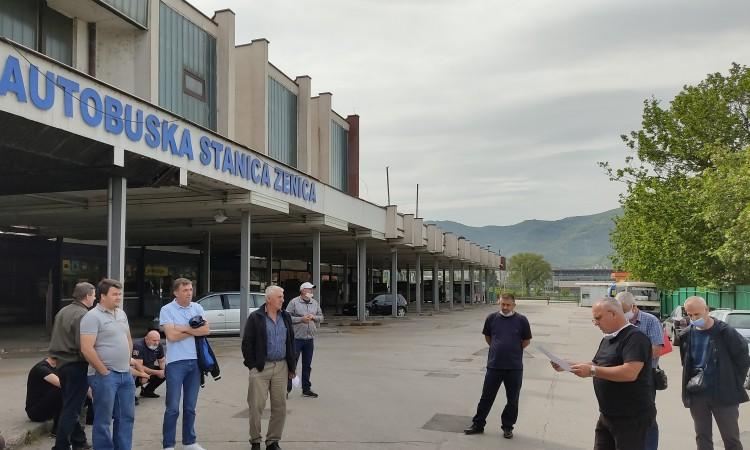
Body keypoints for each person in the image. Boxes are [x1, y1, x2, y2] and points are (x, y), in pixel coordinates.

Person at [551, 298, 655, 450]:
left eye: (598, 318)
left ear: (613, 314)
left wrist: (593, 372)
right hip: (607, 415)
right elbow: (597, 364)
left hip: (631, 418)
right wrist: (568, 365)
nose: (596, 323)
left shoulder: (635, 338)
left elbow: (630, 372)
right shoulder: (608, 338)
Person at [679, 296, 749, 450]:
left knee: (730, 438)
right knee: (702, 436)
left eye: (697, 314)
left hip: (724, 393)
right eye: (690, 315)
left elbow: (743, 359)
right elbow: (686, 363)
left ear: (707, 310)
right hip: (698, 394)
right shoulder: (687, 334)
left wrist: (734, 382)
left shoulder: (725, 332)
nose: (693, 318)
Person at [464, 293, 532, 439]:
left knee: (512, 399)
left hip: (514, 367)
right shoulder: (491, 318)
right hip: (494, 365)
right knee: (486, 397)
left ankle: (507, 427)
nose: (505, 307)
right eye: (503, 304)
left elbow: (526, 341)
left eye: (508, 304)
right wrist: (498, 348)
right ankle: (478, 424)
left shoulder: (522, 320)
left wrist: (512, 349)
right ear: (499, 303)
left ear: (514, 305)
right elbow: (488, 338)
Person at [80, 278, 134, 450]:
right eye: (114, 294)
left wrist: (128, 363)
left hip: (126, 374)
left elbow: (128, 339)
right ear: (102, 296)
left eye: (120, 294)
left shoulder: (121, 313)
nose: (118, 297)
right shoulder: (92, 317)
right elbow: (86, 348)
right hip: (105, 376)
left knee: (126, 417)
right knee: (103, 420)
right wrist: (104, 371)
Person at [242, 285, 296, 450]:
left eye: (283, 296)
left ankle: (273, 441)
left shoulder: (285, 316)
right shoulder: (256, 317)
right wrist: (253, 365)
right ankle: (255, 441)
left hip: (281, 366)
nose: (283, 299)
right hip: (261, 367)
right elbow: (247, 343)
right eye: (280, 297)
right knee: (256, 406)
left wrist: (291, 367)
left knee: (280, 406)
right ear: (269, 299)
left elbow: (291, 342)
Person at [159, 278, 210, 450]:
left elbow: (206, 330)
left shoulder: (198, 307)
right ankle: (168, 445)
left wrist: (183, 328)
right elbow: (171, 336)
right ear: (176, 292)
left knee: (190, 407)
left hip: (195, 362)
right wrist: (193, 330)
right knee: (172, 407)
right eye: (185, 290)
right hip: (175, 363)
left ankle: (190, 442)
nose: (189, 293)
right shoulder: (166, 310)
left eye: (190, 289)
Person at [49, 281, 96, 450]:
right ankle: (61, 446)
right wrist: (95, 362)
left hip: (62, 364)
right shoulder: (84, 314)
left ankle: (79, 441)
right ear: (87, 296)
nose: (95, 298)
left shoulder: (63, 311)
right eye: (94, 294)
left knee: (71, 404)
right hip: (77, 364)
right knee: (72, 408)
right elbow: (83, 346)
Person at [616, 291, 663, 450]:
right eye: (619, 311)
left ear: (634, 307)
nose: (622, 314)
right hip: (623, 373)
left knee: (647, 417)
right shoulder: (620, 322)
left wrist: (632, 357)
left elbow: (657, 349)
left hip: (646, 377)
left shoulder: (650, 321)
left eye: (624, 310)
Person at [285, 281, 324, 398]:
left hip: (309, 339)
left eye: (312, 290)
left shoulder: (315, 303)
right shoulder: (294, 302)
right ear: (302, 291)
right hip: (296, 339)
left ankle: (306, 389)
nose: (311, 291)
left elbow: (321, 317)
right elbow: (286, 317)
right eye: (309, 289)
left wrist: (314, 317)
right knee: (292, 364)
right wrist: (301, 319)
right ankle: (286, 389)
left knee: (307, 365)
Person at [25, 357, 61, 428]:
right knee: (61, 390)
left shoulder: (58, 366)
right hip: (36, 412)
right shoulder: (41, 368)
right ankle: (57, 429)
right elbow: (61, 383)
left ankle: (89, 418)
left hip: (48, 406)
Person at [131, 330, 166, 399]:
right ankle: (130, 394)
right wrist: (144, 374)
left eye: (158, 340)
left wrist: (164, 371)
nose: (157, 343)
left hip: (149, 368)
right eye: (154, 340)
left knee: (166, 372)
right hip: (137, 370)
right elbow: (138, 365)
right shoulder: (138, 346)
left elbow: (161, 361)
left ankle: (147, 391)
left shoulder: (159, 346)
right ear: (146, 339)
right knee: (136, 376)